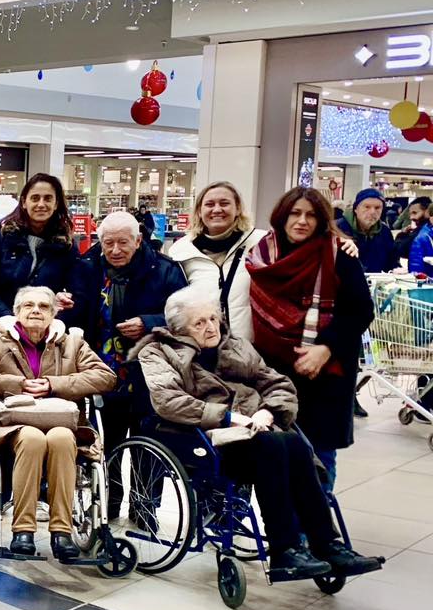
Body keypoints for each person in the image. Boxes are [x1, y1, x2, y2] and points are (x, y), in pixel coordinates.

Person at [133, 287, 381, 580]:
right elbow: (168, 401)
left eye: (213, 318)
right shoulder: (157, 352)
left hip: (258, 431)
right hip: (204, 440)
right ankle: (284, 549)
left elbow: (278, 384)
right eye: (199, 323)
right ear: (178, 329)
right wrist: (229, 418)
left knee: (295, 444)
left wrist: (270, 411)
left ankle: (326, 544)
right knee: (275, 445)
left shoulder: (235, 345)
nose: (211, 327)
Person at [0, 286, 116, 559]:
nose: (36, 311)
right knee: (31, 437)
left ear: (53, 313)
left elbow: (105, 377)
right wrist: (18, 384)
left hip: (61, 422)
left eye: (43, 306)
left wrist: (54, 385)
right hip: (11, 424)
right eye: (28, 305)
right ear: (16, 311)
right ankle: (23, 530)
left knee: (63, 438)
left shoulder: (72, 342)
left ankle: (62, 532)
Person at [247, 188, 373, 491]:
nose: (302, 221)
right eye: (295, 213)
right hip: (274, 371)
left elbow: (360, 311)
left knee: (318, 454)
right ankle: (288, 532)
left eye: (311, 215)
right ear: (282, 216)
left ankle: (316, 533)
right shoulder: (261, 255)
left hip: (325, 372)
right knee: (277, 451)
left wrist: (325, 348)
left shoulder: (338, 254)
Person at [75, 210, 187, 519]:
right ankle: (107, 501)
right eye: (108, 243)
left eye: (123, 242)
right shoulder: (89, 268)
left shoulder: (164, 270)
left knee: (148, 438)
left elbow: (185, 317)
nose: (115, 251)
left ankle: (144, 506)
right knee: (106, 439)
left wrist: (150, 322)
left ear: (138, 240)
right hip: (103, 371)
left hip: (150, 371)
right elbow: (79, 310)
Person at [167, 182, 266, 343]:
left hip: (252, 350)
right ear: (199, 211)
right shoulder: (181, 252)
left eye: (225, 203)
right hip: (204, 352)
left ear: (238, 208)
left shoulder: (260, 243)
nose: (217, 209)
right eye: (209, 204)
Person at [0, 173, 82, 324]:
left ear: (56, 203)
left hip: (44, 330)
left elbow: (77, 292)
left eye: (48, 198)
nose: (41, 204)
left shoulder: (67, 246)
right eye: (35, 198)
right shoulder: (0, 238)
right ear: (24, 202)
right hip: (2, 327)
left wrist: (63, 301)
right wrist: (9, 317)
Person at [336, 188, 398, 274]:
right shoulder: (337, 228)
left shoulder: (384, 232)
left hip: (374, 283)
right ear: (356, 209)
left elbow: (392, 261)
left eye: (377, 208)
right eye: (367, 207)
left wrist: (396, 268)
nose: (372, 212)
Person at [394, 196, 430, 263]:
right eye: (410, 214)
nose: (411, 217)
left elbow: (400, 249)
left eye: (415, 213)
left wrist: (402, 234)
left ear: (427, 211)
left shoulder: (423, 231)